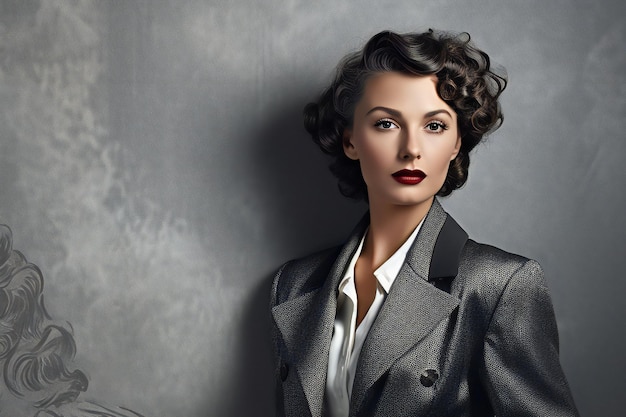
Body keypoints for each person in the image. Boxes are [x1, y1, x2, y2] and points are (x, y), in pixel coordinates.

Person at [270, 29, 579, 417]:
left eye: (434, 126)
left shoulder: (500, 285)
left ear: (456, 144)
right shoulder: (294, 285)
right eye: (386, 123)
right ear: (350, 141)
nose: (411, 149)